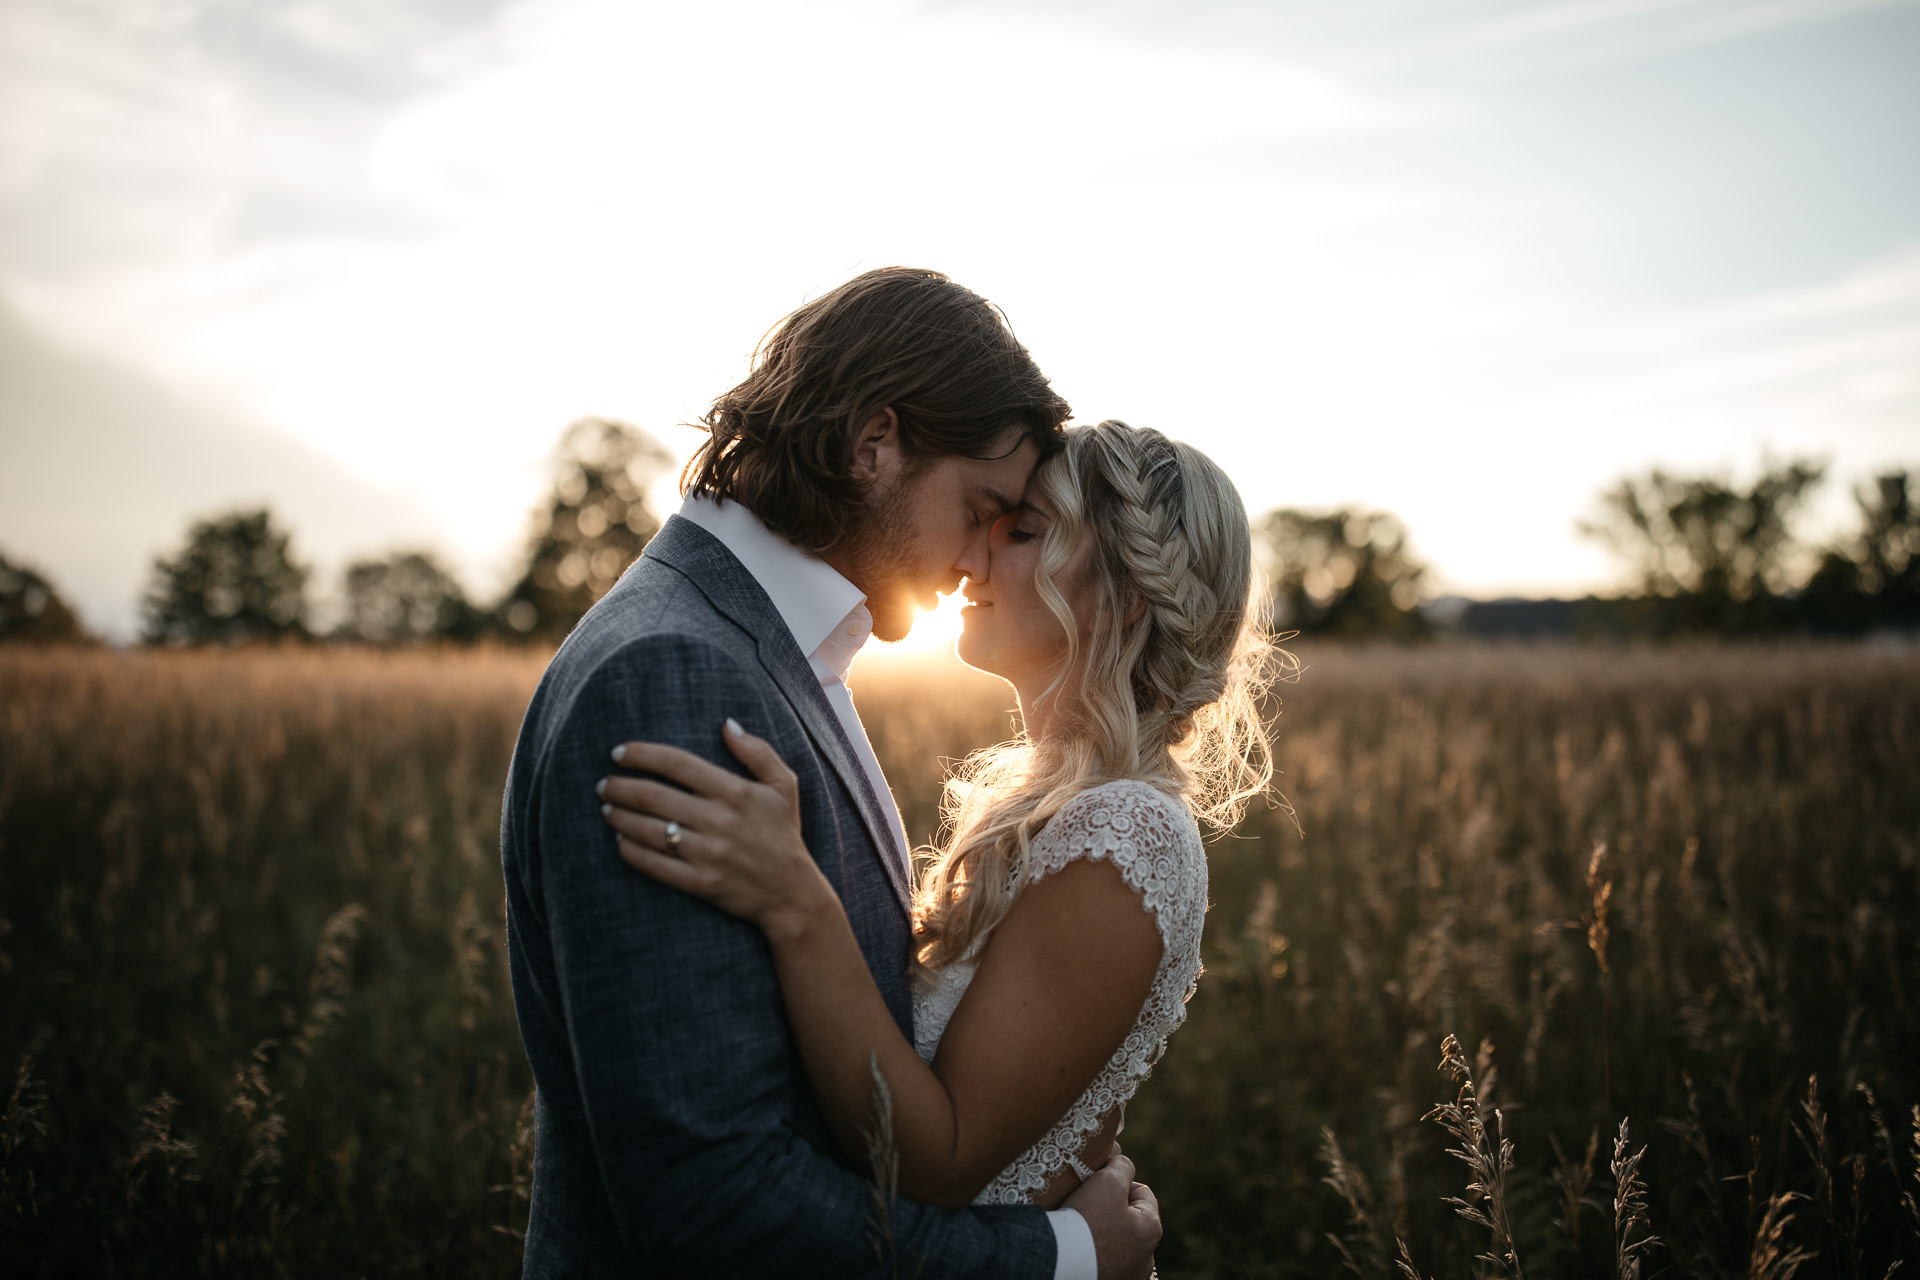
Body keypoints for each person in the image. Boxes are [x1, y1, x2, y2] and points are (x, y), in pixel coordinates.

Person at [499, 268, 1164, 1278]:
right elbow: (711, 1198)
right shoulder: (672, 675)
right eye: (980, 507)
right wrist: (1060, 1254)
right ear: (873, 444)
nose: (976, 557)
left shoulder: (769, 649)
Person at [597, 422, 1275, 1240]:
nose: (972, 558)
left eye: (1021, 533)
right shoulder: (1051, 806)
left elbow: (938, 1160)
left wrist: (794, 901)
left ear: (1125, 596)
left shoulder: (1127, 833)